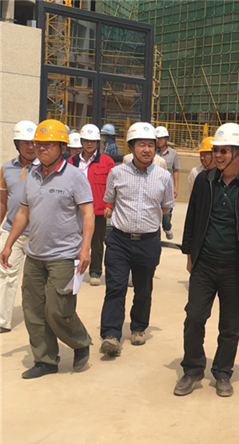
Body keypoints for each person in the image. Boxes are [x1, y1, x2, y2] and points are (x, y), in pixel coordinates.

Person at [175, 123, 239, 398]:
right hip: (204, 264)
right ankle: (193, 369)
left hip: (235, 268)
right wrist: (189, 254)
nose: (217, 155)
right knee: (194, 317)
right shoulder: (204, 181)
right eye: (215, 150)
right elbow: (193, 217)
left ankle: (223, 372)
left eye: (223, 151)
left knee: (230, 325)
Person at [0, 119, 94, 378]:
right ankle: (45, 360)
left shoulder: (74, 176)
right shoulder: (31, 175)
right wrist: (8, 244)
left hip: (64, 256)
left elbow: (88, 214)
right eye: (38, 143)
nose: (40, 148)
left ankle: (80, 342)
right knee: (33, 310)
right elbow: (23, 212)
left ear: (62, 147)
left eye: (48, 144)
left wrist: (85, 249)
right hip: (34, 255)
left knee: (57, 309)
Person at [99, 122, 174, 357]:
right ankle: (111, 334)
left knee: (143, 288)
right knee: (115, 287)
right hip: (119, 241)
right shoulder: (117, 173)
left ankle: (139, 327)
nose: (147, 149)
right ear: (131, 147)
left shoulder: (164, 177)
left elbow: (165, 207)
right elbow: (110, 201)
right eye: (141, 144)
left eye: (151, 145)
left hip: (148, 242)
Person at [0, 120, 38, 333]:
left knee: (35, 281)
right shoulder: (6, 168)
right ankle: (2, 320)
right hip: (11, 232)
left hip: (38, 234)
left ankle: (40, 318)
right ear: (17, 144)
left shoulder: (46, 167)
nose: (30, 147)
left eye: (33, 142)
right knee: (5, 275)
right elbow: (3, 202)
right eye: (25, 142)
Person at [69, 124, 115, 287]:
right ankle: (73, 270)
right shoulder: (72, 161)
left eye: (92, 141)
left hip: (98, 210)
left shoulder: (107, 162)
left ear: (97, 142)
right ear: (81, 141)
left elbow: (112, 186)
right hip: (75, 210)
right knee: (74, 241)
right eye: (86, 140)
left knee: (96, 243)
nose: (89, 144)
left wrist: (109, 205)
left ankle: (95, 272)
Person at [155, 126, 180, 240]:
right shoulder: (153, 152)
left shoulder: (173, 153)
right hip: (156, 186)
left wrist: (176, 187)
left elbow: (176, 170)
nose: (159, 141)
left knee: (167, 212)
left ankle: (167, 227)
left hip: (168, 187)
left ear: (166, 139)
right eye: (157, 138)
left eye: (161, 138)